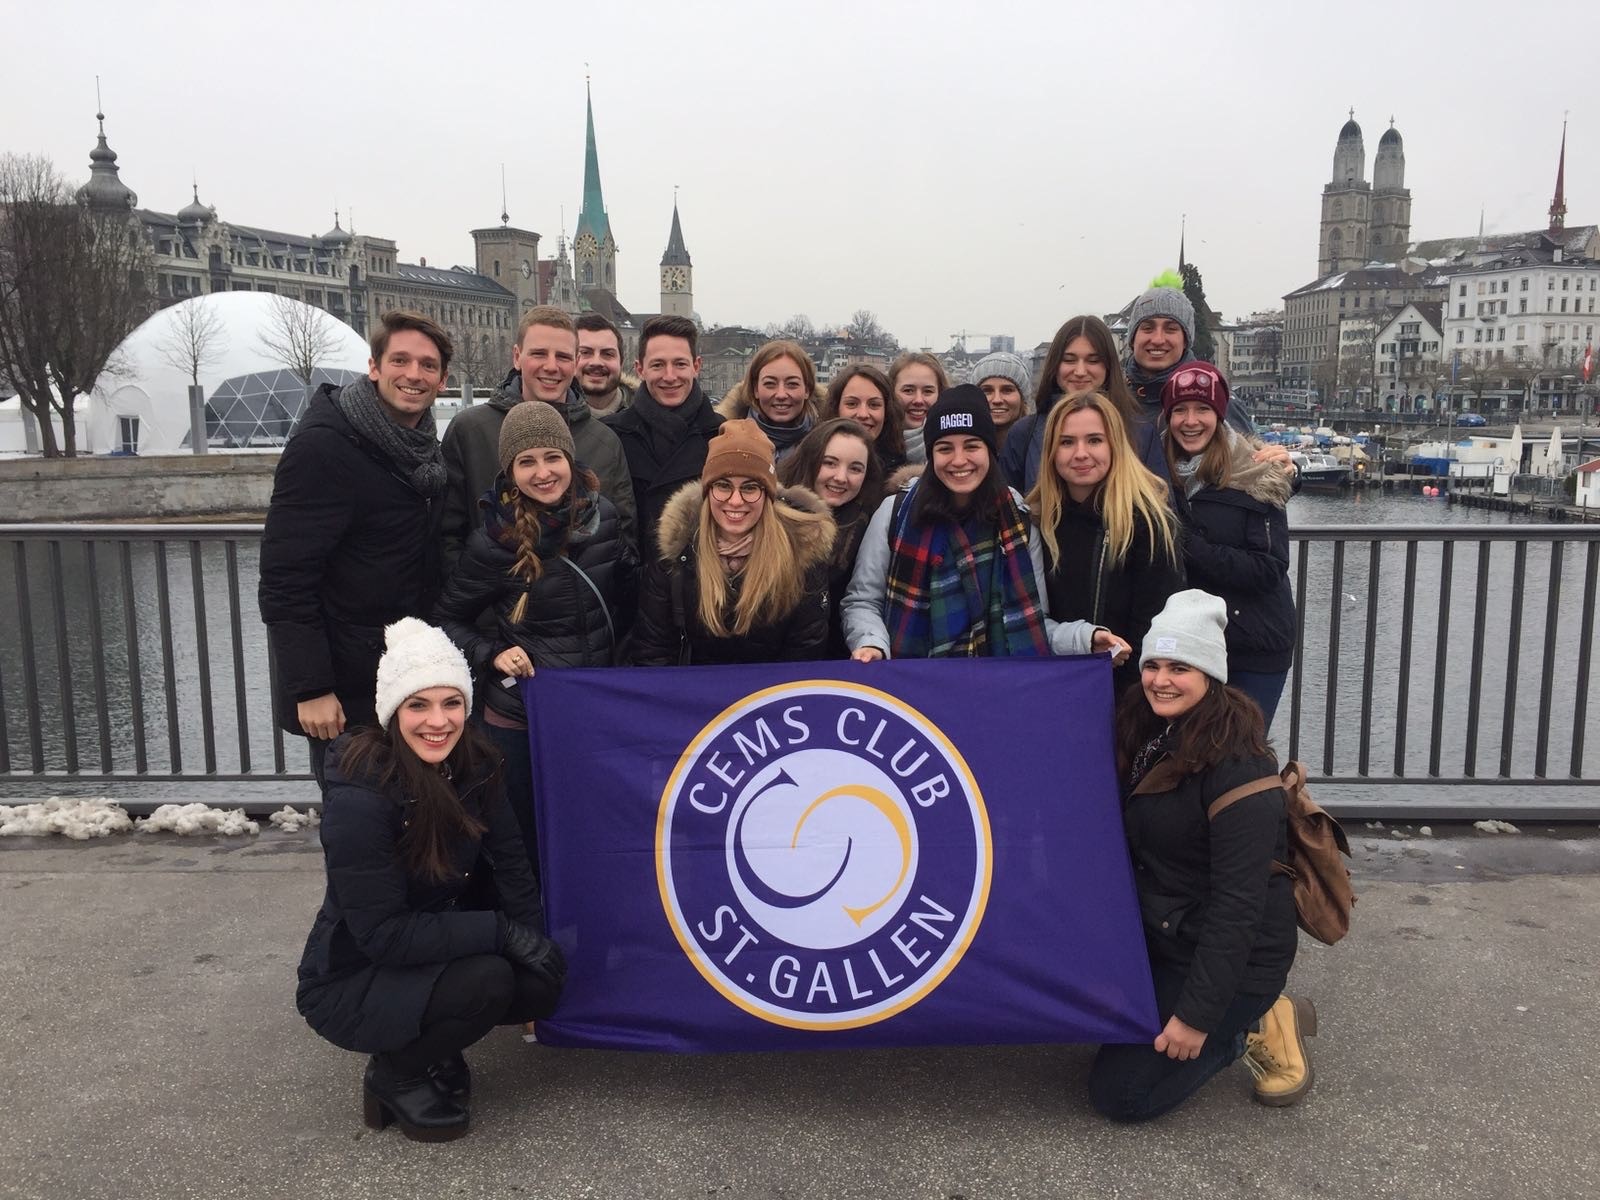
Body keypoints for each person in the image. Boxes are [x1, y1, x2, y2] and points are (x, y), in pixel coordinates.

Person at [296, 618, 566, 1143]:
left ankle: (437, 1046)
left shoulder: (477, 763)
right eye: (418, 706)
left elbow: (510, 861)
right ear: (393, 714)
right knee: (489, 979)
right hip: (354, 973)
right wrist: (503, 934)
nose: (437, 722)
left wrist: (533, 939)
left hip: (431, 937)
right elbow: (383, 934)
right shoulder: (360, 797)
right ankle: (397, 1071)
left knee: (539, 981)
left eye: (452, 703)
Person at [1088, 589, 1310, 1122]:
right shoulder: (1147, 728)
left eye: (1180, 667)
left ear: (1210, 673)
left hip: (1236, 954)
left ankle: (1246, 1026)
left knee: (1121, 1096)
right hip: (1167, 930)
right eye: (1153, 664)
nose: (1161, 680)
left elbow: (1239, 907)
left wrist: (1197, 1018)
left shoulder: (1241, 767)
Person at [259, 310, 452, 788]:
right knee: (359, 827)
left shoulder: (419, 447)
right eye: (400, 360)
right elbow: (285, 580)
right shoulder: (323, 447)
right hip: (344, 688)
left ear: (442, 380)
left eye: (428, 366)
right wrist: (312, 688)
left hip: (402, 672)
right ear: (374, 367)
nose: (413, 375)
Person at [434, 401, 631, 867]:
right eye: (527, 462)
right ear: (510, 470)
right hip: (522, 715)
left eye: (552, 457)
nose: (543, 473)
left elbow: (626, 601)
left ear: (570, 458)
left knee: (588, 834)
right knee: (523, 839)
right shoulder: (494, 539)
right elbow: (446, 618)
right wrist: (492, 653)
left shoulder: (604, 518)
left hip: (589, 710)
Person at [842, 385, 1126, 662]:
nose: (959, 460)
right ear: (931, 455)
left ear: (989, 450)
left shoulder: (1018, 521)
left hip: (993, 690)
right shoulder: (895, 513)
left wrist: (1085, 638)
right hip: (911, 686)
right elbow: (863, 601)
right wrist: (871, 643)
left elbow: (1036, 623)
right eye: (944, 448)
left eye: (972, 446)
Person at [441, 306, 635, 568]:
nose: (551, 366)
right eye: (539, 354)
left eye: (563, 356)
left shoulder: (604, 441)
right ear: (517, 356)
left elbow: (622, 539)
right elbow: (447, 538)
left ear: (576, 362)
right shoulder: (470, 431)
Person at [630, 419, 834, 665]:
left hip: (768, 697)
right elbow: (654, 651)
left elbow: (803, 654)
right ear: (707, 490)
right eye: (723, 486)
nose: (735, 501)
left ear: (768, 495)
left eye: (750, 488)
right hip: (691, 695)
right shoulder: (675, 555)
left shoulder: (802, 555)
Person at [1160, 363, 1295, 726]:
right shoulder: (1157, 474)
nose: (1191, 421)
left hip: (1253, 646)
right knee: (1190, 757)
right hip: (1189, 645)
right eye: (1180, 410)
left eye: (1202, 409)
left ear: (1219, 416)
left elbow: (1268, 569)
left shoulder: (1257, 474)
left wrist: (1188, 545)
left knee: (1239, 759)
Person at [1028, 391, 1186, 698]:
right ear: (1050, 452)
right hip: (1052, 687)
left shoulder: (1147, 524)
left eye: (1095, 440)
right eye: (1067, 442)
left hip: (1122, 692)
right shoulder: (1037, 520)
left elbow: (1154, 627)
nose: (1081, 453)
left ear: (1115, 446)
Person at [604, 314, 724, 546]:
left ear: (696, 366)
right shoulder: (611, 436)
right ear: (640, 369)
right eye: (658, 365)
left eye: (680, 364)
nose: (670, 377)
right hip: (629, 577)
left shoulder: (722, 435)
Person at [778, 417, 887, 656]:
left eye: (855, 468)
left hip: (846, 660)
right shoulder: (772, 516)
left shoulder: (873, 522)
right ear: (810, 461)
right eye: (830, 463)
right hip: (777, 664)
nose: (841, 477)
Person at [1002, 315, 1145, 494]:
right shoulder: (1024, 434)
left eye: (1093, 361)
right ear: (1055, 365)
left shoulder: (1139, 431)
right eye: (1069, 360)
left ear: (1108, 366)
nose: (1080, 371)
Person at [715, 340, 819, 462]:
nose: (781, 395)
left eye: (792, 384)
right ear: (755, 390)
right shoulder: (724, 445)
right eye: (770, 384)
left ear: (807, 390)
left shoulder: (826, 445)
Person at [821, 364, 906, 471]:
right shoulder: (810, 467)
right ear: (835, 408)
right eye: (852, 404)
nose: (863, 414)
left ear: (887, 412)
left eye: (874, 405)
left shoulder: (903, 479)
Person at [889, 351, 948, 466]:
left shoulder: (954, 450)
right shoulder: (872, 449)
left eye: (928, 391)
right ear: (891, 392)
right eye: (908, 390)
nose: (918, 400)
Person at [968, 350, 1034, 450]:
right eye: (987, 391)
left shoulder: (1041, 448)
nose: (997, 400)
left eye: (1007, 390)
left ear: (1022, 398)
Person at [574, 312, 633, 417]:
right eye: (585, 352)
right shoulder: (550, 417)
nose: (596, 362)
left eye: (607, 354)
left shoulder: (648, 415)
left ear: (621, 362)